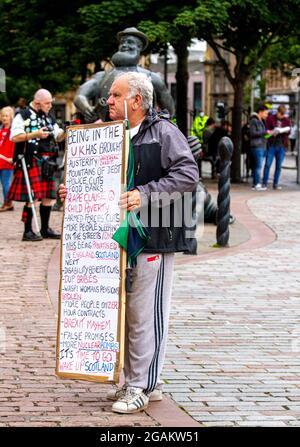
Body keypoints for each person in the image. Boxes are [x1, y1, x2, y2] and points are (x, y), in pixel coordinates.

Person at [59, 72, 199, 414]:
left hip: (154, 236)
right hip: (116, 239)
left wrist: (145, 195)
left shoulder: (164, 132)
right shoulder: (109, 135)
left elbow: (186, 174)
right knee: (123, 312)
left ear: (136, 100)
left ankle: (141, 385)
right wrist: (74, 192)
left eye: (115, 95)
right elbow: (106, 183)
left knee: (145, 315)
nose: (107, 100)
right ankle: (141, 382)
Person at [74, 27, 175, 122]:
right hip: (108, 134)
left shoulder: (152, 78)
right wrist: (87, 108)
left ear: (139, 47)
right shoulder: (102, 76)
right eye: (122, 42)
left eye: (130, 42)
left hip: (141, 135)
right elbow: (80, 95)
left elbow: (169, 111)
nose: (124, 45)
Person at [8, 89, 64, 241]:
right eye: (47, 103)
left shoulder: (48, 117)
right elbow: (14, 137)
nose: (50, 106)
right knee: (33, 197)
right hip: (31, 160)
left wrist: (67, 132)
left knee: (49, 197)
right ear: (37, 103)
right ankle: (27, 231)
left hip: (49, 161)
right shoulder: (23, 115)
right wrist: (35, 134)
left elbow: (58, 135)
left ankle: (45, 229)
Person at [262, 105, 291, 190]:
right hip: (272, 145)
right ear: (277, 112)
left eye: (283, 114)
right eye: (281, 113)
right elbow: (266, 133)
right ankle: (264, 183)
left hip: (281, 146)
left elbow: (289, 132)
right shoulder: (270, 118)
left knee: (278, 166)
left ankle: (275, 184)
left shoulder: (286, 120)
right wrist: (271, 132)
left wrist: (284, 131)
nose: (282, 115)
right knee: (267, 165)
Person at [249, 105, 271, 191]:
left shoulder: (262, 121)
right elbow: (253, 133)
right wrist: (265, 132)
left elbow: (263, 134)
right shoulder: (254, 121)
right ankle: (257, 184)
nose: (266, 115)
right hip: (257, 146)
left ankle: (255, 183)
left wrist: (270, 133)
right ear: (260, 112)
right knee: (258, 166)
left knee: (257, 166)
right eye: (266, 113)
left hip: (262, 145)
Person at [0, 106, 15, 211]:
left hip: (7, 161)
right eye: (2, 115)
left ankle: (8, 202)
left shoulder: (13, 131)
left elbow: (14, 147)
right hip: (0, 160)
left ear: (11, 117)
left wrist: (12, 158)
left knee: (6, 183)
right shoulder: (0, 130)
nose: (4, 118)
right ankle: (6, 202)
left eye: (6, 116)